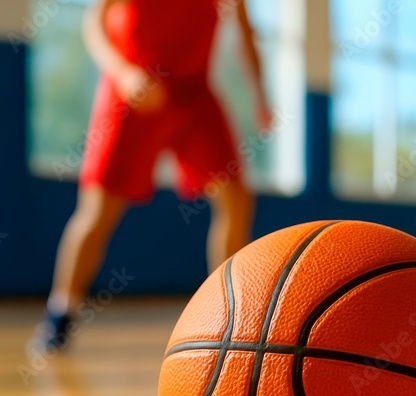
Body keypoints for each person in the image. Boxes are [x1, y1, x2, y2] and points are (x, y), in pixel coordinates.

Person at [31, 0, 270, 352]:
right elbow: (94, 21)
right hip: (135, 90)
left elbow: (246, 35)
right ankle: (60, 313)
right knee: (97, 213)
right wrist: (123, 72)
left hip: (194, 95)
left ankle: (227, 312)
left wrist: (260, 95)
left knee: (237, 199)